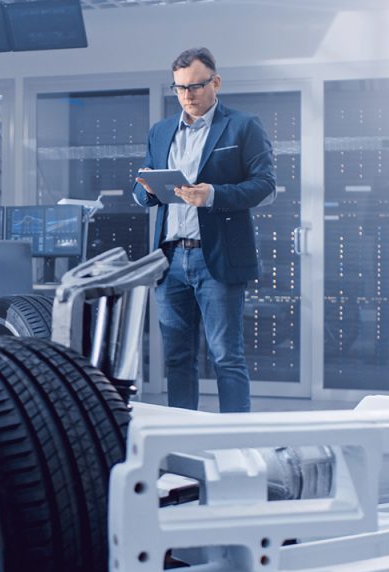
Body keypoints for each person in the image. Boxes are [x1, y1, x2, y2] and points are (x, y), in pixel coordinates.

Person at [134, 47, 276, 413]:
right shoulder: (161, 131)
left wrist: (213, 195)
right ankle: (183, 440)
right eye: (180, 88)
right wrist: (145, 191)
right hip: (170, 260)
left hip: (217, 259)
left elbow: (265, 186)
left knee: (226, 356)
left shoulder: (242, 126)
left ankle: (235, 443)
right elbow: (142, 188)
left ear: (216, 82)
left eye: (196, 86)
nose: (188, 95)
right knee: (178, 359)